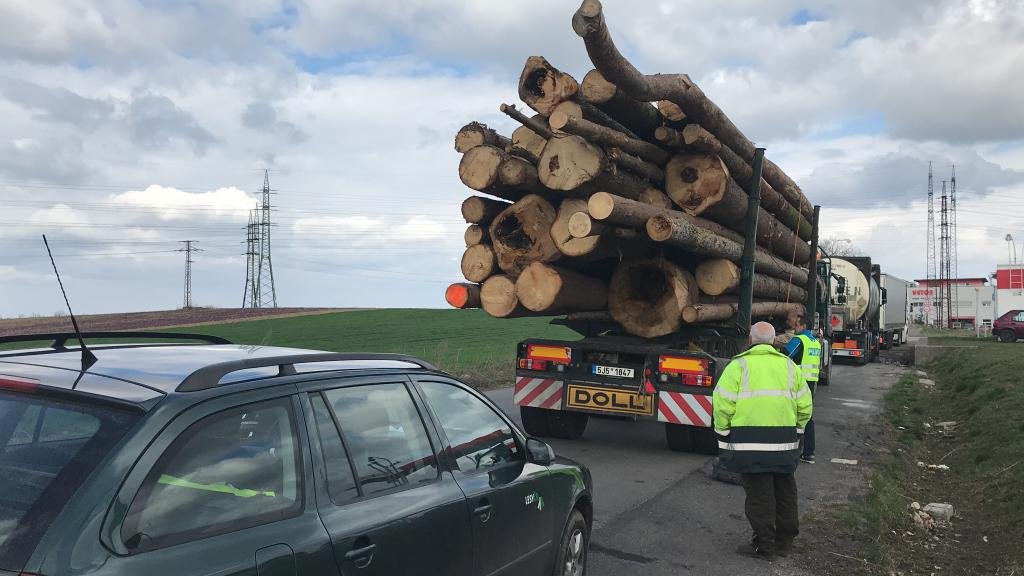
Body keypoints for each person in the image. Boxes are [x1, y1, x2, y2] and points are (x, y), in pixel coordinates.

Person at [713, 321, 813, 561]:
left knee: (759, 494)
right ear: (773, 342)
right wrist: (797, 432)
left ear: (750, 340)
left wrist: (723, 434)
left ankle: (765, 545)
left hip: (750, 444)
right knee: (785, 489)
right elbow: (805, 406)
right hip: (785, 444)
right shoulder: (789, 366)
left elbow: (722, 404)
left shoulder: (739, 366)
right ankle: (785, 541)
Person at [785, 311, 821, 464]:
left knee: (790, 414)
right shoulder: (815, 342)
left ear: (803, 326)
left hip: (798, 382)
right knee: (807, 416)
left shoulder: (799, 340)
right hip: (811, 383)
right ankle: (808, 453)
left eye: (797, 325)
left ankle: (790, 450)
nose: (795, 327)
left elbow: (785, 355)